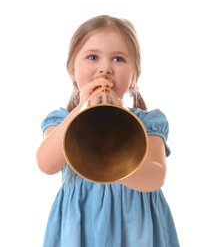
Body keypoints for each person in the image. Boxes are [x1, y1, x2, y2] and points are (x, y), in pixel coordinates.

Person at [36, 15, 180, 247]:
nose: (105, 69)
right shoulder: (61, 120)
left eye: (118, 59)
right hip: (79, 229)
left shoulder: (149, 122)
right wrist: (81, 108)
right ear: (73, 71)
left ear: (135, 75)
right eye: (92, 57)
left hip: (136, 229)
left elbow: (156, 176)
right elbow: (46, 163)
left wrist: (113, 163)